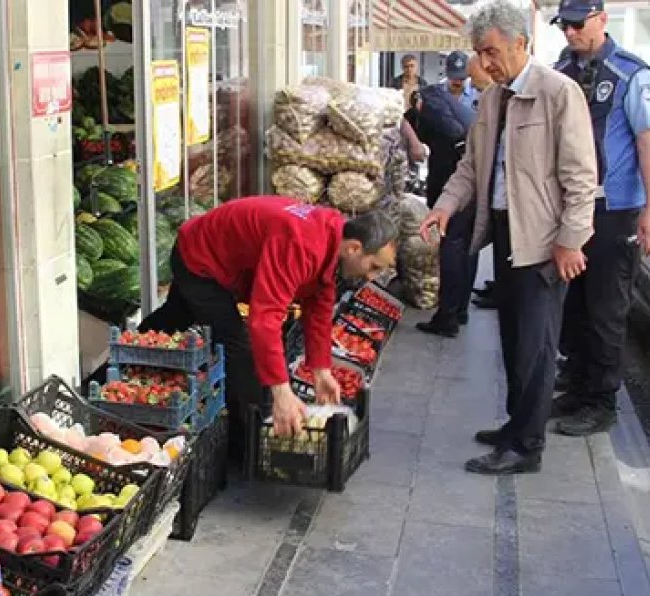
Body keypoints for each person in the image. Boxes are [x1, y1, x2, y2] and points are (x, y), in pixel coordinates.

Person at [419, 0, 597, 475]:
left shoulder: (558, 93)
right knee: (513, 339)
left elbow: (581, 177)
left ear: (521, 44)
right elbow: (470, 169)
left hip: (544, 241)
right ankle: (517, 424)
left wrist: (571, 240)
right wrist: (443, 207)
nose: (485, 62)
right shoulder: (492, 99)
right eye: (480, 52)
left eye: (492, 51)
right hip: (504, 231)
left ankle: (526, 446)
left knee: (537, 349)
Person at [137, 196, 399, 464]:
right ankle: (249, 445)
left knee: (174, 318)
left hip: (213, 255)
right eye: (374, 267)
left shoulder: (330, 237)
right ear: (355, 248)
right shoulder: (303, 244)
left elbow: (319, 306)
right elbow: (265, 320)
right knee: (240, 349)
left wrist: (320, 370)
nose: (371, 277)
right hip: (201, 261)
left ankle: (129, 356)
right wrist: (281, 393)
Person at [549, 0, 650, 437]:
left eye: (579, 24)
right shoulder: (562, 70)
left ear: (601, 18)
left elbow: (648, 143)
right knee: (574, 306)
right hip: (572, 206)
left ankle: (601, 401)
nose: (571, 33)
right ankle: (577, 387)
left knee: (606, 310)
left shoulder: (631, 74)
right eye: (564, 26)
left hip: (614, 209)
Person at [415, 53, 491, 336]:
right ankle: (453, 309)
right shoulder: (436, 97)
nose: (461, 83)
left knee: (456, 246)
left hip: (464, 179)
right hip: (450, 174)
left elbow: (456, 134)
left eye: (465, 78)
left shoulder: (487, 99)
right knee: (460, 244)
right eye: (457, 78)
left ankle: (452, 311)